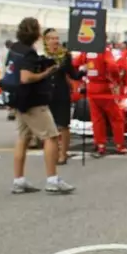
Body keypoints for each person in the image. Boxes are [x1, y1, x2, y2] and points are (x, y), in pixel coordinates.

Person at [4, 18, 74, 194]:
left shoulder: (14, 49)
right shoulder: (28, 53)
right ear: (35, 33)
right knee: (51, 137)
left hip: (18, 99)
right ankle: (52, 179)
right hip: (33, 101)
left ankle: (19, 180)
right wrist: (45, 72)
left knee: (23, 138)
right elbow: (26, 77)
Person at [42, 28, 85, 164]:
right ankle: (52, 152)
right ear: (46, 40)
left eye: (56, 38)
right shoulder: (41, 56)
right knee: (49, 126)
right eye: (52, 38)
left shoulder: (65, 55)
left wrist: (83, 71)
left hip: (61, 93)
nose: (55, 41)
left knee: (63, 125)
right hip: (46, 93)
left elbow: (72, 74)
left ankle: (63, 154)